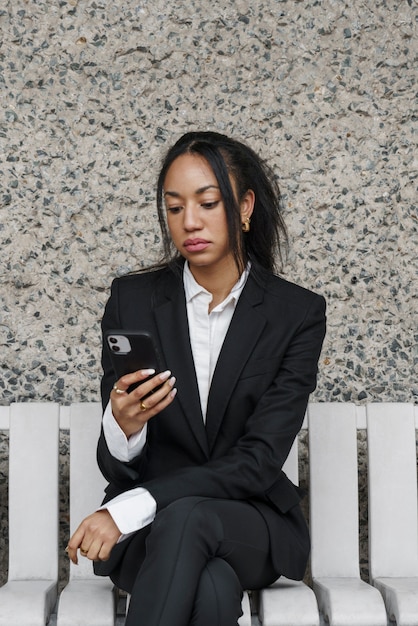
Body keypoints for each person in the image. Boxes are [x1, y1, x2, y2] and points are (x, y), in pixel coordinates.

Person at [66, 131, 326, 626]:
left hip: (249, 521)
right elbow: (118, 469)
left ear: (245, 207)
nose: (189, 222)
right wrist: (124, 427)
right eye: (174, 207)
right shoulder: (133, 300)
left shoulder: (296, 314)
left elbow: (257, 460)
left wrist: (128, 509)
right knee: (210, 588)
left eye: (208, 203)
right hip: (149, 534)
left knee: (190, 517)